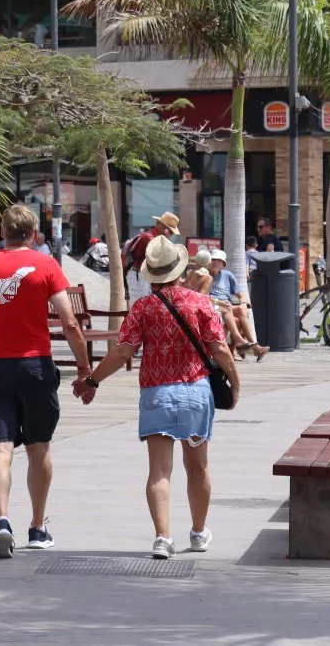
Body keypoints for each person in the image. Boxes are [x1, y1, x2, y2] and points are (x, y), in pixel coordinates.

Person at [72, 235, 241, 559]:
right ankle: (198, 532)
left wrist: (92, 381)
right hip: (195, 393)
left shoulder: (143, 308)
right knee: (198, 468)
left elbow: (122, 352)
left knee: (159, 471)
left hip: (157, 393)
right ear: (179, 269)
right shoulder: (200, 303)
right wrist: (234, 381)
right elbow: (219, 348)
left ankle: (162, 538)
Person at [0, 204, 93, 558]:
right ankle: (37, 527)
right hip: (36, 366)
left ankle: (2, 520)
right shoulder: (47, 265)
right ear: (35, 235)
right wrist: (85, 370)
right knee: (39, 447)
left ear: (3, 232)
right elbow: (69, 323)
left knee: (0, 448)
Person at [204, 249, 265, 360]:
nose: (216, 262)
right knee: (238, 316)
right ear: (209, 261)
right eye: (214, 260)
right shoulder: (205, 275)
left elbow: (241, 295)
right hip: (213, 305)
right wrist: (220, 302)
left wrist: (242, 303)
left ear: (223, 264)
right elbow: (204, 296)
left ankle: (246, 348)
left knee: (242, 311)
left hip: (227, 307)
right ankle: (250, 347)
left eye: (219, 260)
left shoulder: (227, 275)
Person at [126, 213, 181, 304]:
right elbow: (161, 255)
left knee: (146, 307)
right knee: (138, 307)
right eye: (170, 232)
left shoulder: (157, 238)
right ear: (163, 227)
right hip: (138, 276)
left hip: (145, 277)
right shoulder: (149, 238)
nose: (170, 235)